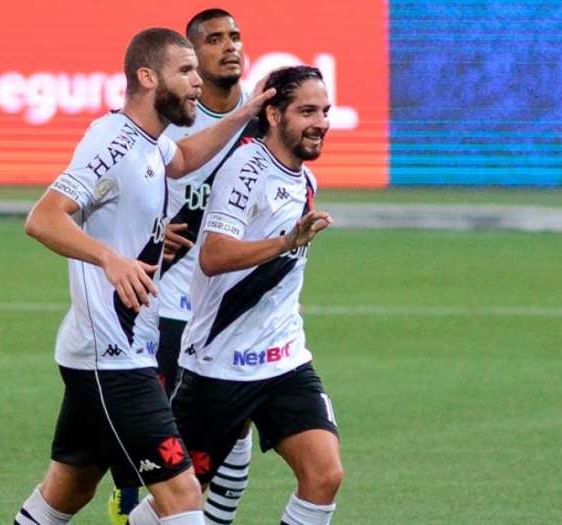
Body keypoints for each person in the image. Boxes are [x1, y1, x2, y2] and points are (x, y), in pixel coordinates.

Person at [13, 27, 273, 525]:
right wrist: (110, 258)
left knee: (69, 488)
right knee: (181, 495)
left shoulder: (152, 144)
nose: (198, 81)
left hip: (114, 350)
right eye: (187, 71)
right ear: (148, 76)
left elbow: (186, 159)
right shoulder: (111, 141)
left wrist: (242, 114)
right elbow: (43, 218)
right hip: (111, 358)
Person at [171, 66, 344, 525]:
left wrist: (287, 287)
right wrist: (286, 243)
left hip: (284, 360)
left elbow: (280, 265)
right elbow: (213, 254)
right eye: (306, 111)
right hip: (219, 367)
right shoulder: (245, 169)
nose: (321, 122)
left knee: (324, 475)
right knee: (183, 498)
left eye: (324, 111)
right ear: (273, 113)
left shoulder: (305, 179)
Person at [109, 10, 257, 525]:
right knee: (165, 441)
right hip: (165, 303)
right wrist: (153, 224)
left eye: (235, 37)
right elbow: (123, 184)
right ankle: (129, 507)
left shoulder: (265, 116)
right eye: (214, 40)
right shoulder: (171, 114)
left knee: (233, 430)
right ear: (190, 60)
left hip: (229, 306)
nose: (229, 48)